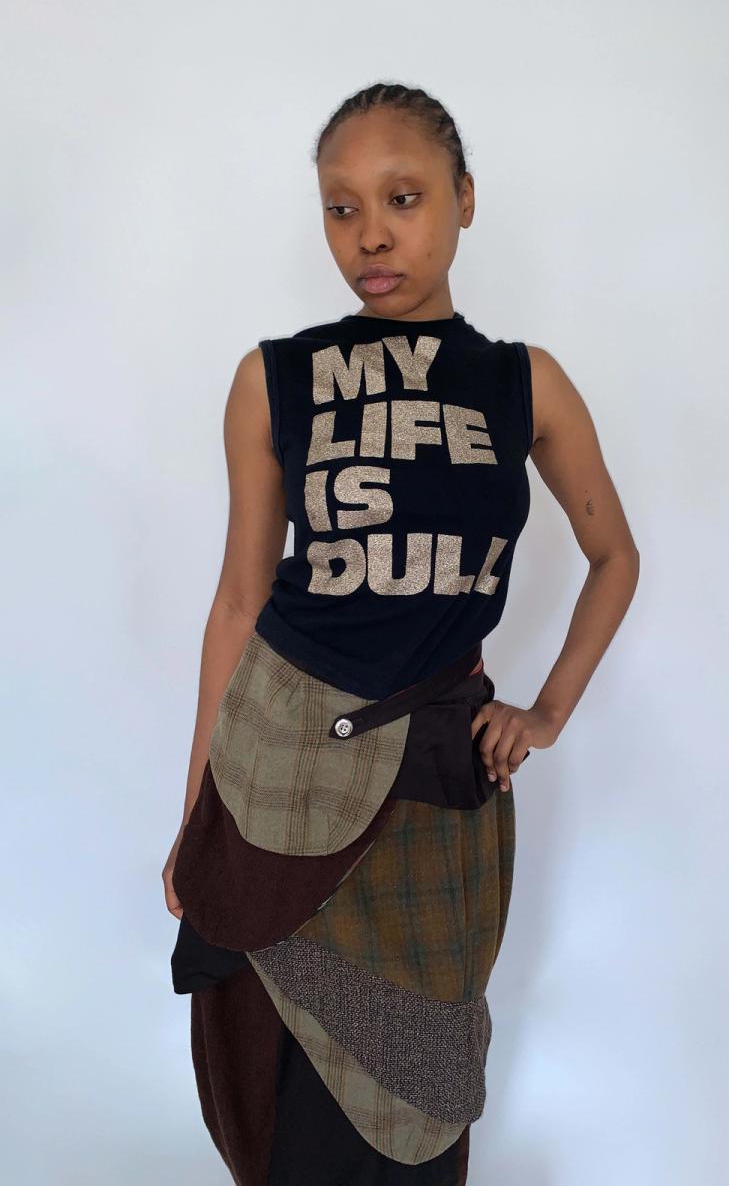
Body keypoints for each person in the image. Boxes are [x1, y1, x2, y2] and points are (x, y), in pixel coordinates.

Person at [162, 81, 640, 1185]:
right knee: (280, 1088)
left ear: (464, 199)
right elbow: (238, 601)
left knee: (419, 1082)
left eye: (403, 198)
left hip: (432, 775)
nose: (369, 234)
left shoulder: (523, 382)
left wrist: (547, 711)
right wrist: (195, 811)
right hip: (272, 769)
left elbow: (614, 557)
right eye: (341, 208)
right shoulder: (272, 377)